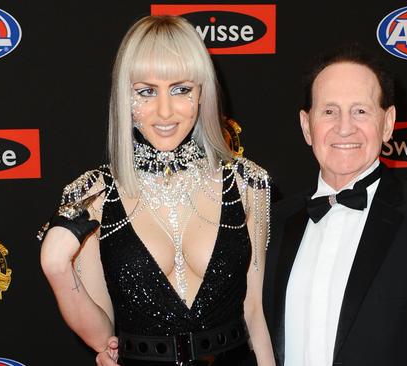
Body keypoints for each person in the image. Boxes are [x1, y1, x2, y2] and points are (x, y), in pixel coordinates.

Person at [39, 15, 275, 366]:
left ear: (201, 93)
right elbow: (104, 342)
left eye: (181, 89)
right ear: (125, 97)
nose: (165, 110)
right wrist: (56, 267)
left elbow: (254, 313)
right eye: (146, 92)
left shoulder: (248, 183)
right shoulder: (92, 195)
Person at [262, 43, 407, 365]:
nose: (344, 127)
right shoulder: (270, 223)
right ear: (307, 126)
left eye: (360, 111)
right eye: (329, 111)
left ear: (387, 123)